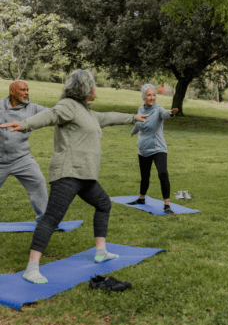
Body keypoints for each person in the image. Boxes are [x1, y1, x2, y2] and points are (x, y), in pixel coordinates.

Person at [0, 69, 148, 283]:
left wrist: (134, 117)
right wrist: (24, 124)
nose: (95, 89)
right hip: (68, 173)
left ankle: (100, 251)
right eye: (93, 85)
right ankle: (31, 268)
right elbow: (51, 115)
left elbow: (107, 117)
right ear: (84, 88)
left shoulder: (86, 111)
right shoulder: (68, 106)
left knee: (104, 204)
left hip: (85, 176)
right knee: (51, 218)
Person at [0, 80, 49, 222]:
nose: (26, 92)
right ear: (12, 92)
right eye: (22, 90)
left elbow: (52, 114)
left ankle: (44, 221)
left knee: (38, 182)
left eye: (27, 89)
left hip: (22, 159)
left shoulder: (32, 108)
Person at [129, 84, 178, 214]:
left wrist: (171, 113)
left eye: (154, 95)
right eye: (149, 95)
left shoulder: (158, 110)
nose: (152, 97)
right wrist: (133, 131)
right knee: (145, 176)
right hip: (143, 148)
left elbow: (165, 114)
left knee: (163, 173)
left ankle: (167, 205)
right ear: (144, 97)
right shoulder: (141, 109)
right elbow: (139, 123)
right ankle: (141, 199)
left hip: (158, 148)